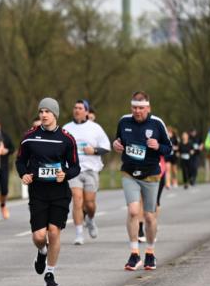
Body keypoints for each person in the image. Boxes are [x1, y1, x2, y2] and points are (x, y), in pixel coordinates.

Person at [16, 98, 79, 286]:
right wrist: (24, 175)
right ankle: (42, 252)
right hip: (38, 192)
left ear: (55, 114)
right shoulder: (30, 137)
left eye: (47, 112)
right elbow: (20, 161)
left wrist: (65, 174)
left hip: (59, 192)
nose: (43, 115)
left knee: (54, 232)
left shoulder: (67, 139)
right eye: (41, 111)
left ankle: (50, 273)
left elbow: (75, 167)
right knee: (38, 236)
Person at [112, 91, 172, 271]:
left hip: (151, 174)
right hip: (129, 172)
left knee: (149, 216)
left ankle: (150, 253)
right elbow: (118, 141)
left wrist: (158, 146)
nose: (137, 111)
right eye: (135, 108)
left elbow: (169, 148)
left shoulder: (157, 124)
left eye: (141, 108)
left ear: (148, 108)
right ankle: (134, 253)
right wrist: (116, 145)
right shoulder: (124, 121)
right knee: (132, 211)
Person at [62, 99, 110, 245]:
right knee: (77, 200)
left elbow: (106, 147)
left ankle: (90, 219)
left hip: (91, 170)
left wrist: (94, 150)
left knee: (89, 203)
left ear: (87, 112)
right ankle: (79, 234)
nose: (77, 110)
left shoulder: (95, 128)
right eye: (75, 107)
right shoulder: (66, 128)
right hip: (74, 170)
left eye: (80, 108)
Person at [0, 118, 13, 220]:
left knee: (4, 190)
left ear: (0, 126)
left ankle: (3, 205)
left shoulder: (5, 136)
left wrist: (7, 151)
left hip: (4, 167)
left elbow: (12, 148)